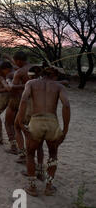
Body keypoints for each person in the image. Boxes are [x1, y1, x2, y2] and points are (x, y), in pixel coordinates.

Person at [17, 67, 70, 197]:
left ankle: (32, 186)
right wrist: (65, 129)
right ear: (55, 76)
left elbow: (24, 99)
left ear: (41, 74)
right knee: (53, 154)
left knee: (30, 154)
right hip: (52, 122)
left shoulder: (31, 83)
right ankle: (49, 186)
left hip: (36, 121)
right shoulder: (58, 86)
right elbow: (66, 105)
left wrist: (20, 121)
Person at [6, 51, 31, 163]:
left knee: (17, 126)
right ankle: (27, 155)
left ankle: (22, 154)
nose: (15, 64)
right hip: (34, 102)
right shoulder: (33, 68)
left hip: (22, 101)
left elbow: (13, 88)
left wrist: (7, 81)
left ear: (19, 61)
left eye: (16, 61)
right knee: (27, 128)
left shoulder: (20, 72)